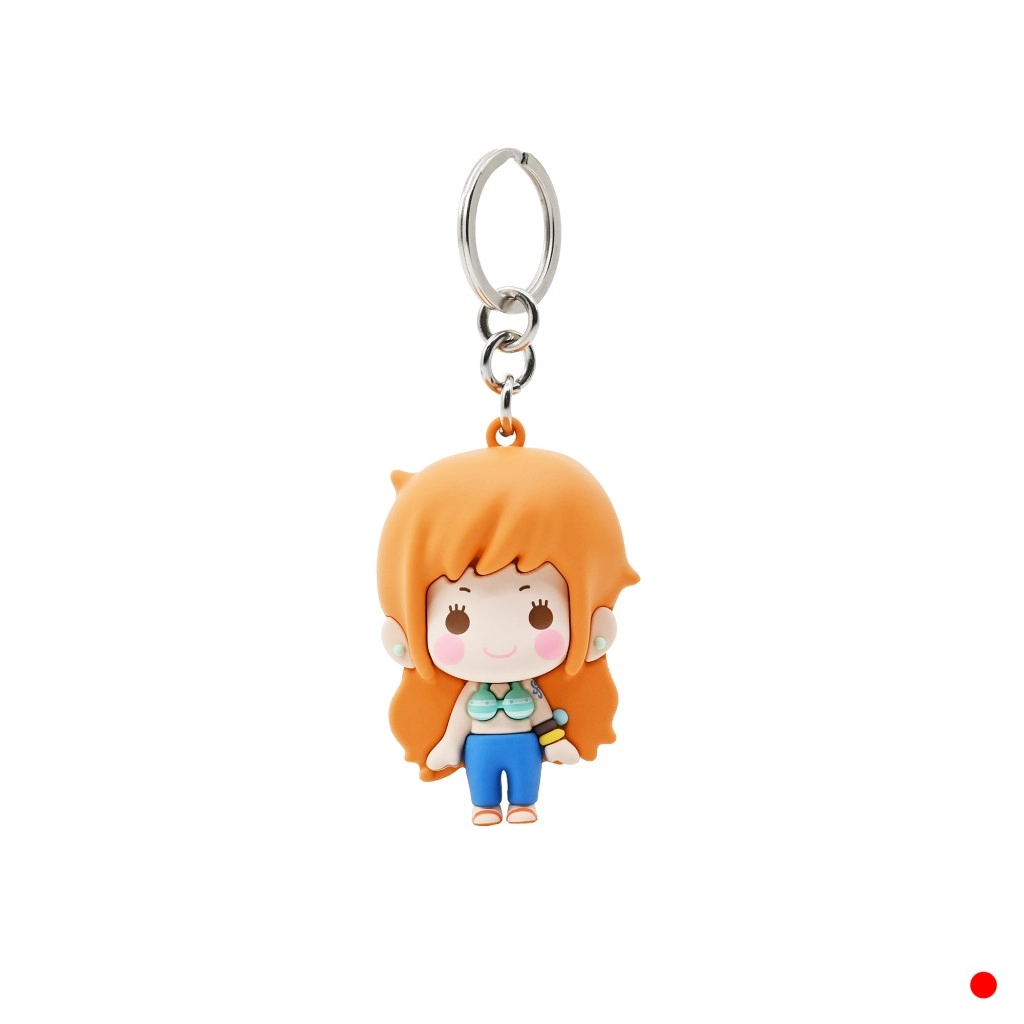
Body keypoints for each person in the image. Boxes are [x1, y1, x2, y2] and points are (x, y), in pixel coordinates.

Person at [378, 422, 638, 825]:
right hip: (479, 748)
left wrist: (554, 743)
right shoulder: (471, 694)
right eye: (457, 618)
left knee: (524, 781)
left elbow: (544, 718)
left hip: (524, 748)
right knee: (481, 782)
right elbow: (458, 724)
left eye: (540, 613)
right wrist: (448, 746)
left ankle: (522, 803)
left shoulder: (531, 689)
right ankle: (484, 804)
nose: (498, 641)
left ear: (593, 624)